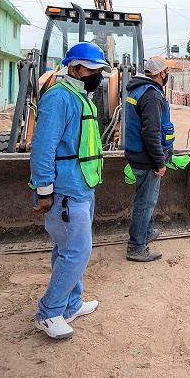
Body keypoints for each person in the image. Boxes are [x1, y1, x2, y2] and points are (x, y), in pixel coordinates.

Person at [30, 41, 111, 340]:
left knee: (67, 249)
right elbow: (43, 147)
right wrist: (44, 189)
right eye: (91, 70)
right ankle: (49, 313)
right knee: (77, 250)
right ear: (74, 68)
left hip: (83, 186)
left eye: (99, 71)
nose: (96, 76)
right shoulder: (58, 97)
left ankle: (71, 304)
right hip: (65, 191)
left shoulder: (81, 96)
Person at [123, 56, 176, 263]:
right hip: (147, 158)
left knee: (145, 199)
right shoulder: (152, 95)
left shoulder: (137, 89)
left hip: (138, 154)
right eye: (166, 73)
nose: (167, 76)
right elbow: (151, 133)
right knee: (145, 202)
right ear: (162, 73)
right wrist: (159, 162)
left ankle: (147, 232)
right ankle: (137, 246)